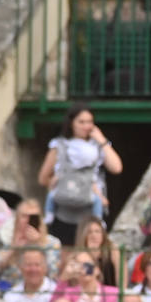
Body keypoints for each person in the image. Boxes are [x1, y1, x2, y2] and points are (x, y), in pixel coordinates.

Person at [38, 104, 123, 244]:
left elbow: (116, 167)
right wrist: (56, 182)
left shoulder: (97, 146)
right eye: (81, 122)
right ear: (71, 123)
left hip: (90, 212)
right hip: (64, 213)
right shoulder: (59, 146)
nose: (86, 126)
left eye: (89, 122)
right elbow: (43, 178)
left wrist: (101, 140)